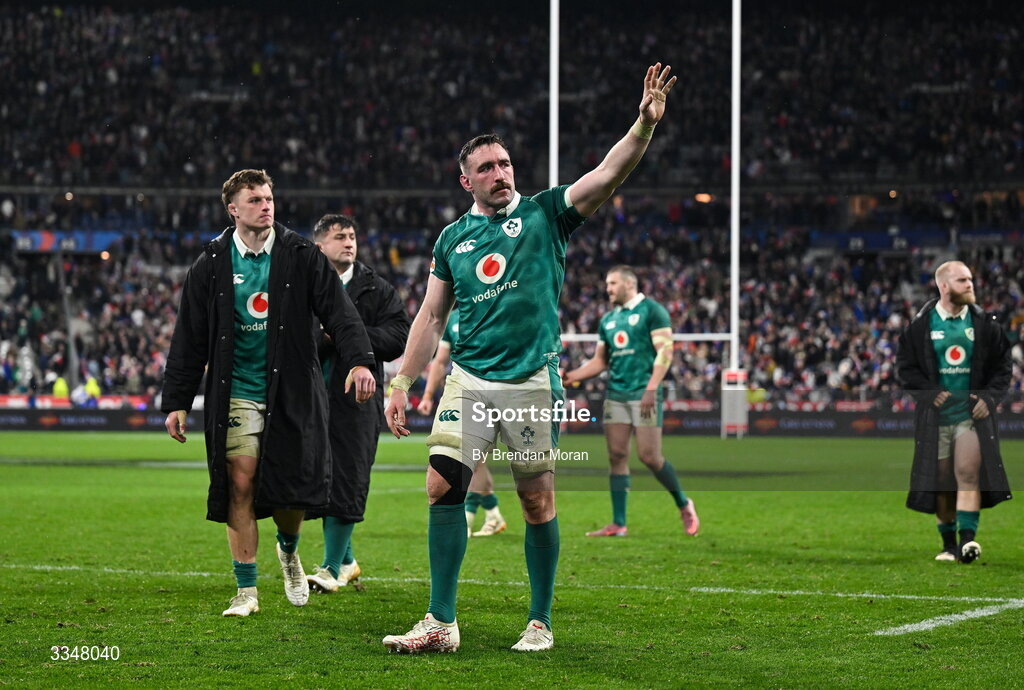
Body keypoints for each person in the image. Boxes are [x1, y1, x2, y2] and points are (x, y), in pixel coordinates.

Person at [381, 63, 677, 653]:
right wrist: (403, 381)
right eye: (486, 167)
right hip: (467, 378)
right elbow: (431, 316)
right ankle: (441, 622)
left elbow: (604, 176)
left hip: (529, 381)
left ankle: (539, 621)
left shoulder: (545, 213)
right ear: (464, 180)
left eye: (505, 163)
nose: (500, 173)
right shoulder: (451, 240)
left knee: (537, 497)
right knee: (442, 488)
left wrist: (642, 127)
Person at [160, 169, 377, 617]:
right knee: (239, 479)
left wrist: (359, 361)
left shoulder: (301, 254)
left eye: (269, 198)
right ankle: (246, 590)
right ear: (233, 209)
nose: (266, 205)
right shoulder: (211, 263)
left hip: (292, 390)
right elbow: (189, 337)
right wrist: (178, 401)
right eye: (255, 199)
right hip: (237, 389)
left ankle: (289, 548)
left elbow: (340, 312)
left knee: (291, 492)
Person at [305, 214, 410, 593]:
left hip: (357, 402)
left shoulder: (375, 288)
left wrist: (346, 332)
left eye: (352, 236)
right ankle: (346, 560)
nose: (349, 242)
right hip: (311, 397)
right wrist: (329, 337)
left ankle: (331, 567)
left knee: (347, 477)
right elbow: (291, 337)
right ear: (320, 246)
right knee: (318, 479)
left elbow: (399, 335)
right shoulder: (304, 285)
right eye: (339, 237)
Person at [562, 266, 699, 538]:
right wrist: (572, 376)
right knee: (617, 456)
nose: (608, 289)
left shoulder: (653, 311)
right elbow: (600, 361)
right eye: (607, 284)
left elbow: (665, 352)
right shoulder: (608, 320)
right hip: (617, 395)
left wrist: (651, 388)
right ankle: (619, 523)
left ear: (628, 284)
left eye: (612, 283)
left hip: (644, 393)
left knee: (649, 456)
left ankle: (684, 503)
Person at [896, 260, 1012, 564]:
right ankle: (947, 544)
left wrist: (990, 398)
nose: (970, 284)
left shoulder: (985, 324)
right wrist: (930, 393)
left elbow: (1003, 368)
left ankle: (967, 543)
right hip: (936, 419)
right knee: (943, 480)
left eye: (970, 279)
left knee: (968, 473)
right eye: (962, 280)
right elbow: (906, 371)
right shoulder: (920, 326)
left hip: (971, 416)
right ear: (944, 286)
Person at [417, 308, 507, 538]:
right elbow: (440, 361)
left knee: (474, 459)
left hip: (492, 391)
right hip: (463, 394)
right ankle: (492, 514)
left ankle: (467, 517)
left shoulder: (494, 308)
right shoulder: (453, 319)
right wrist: (428, 395)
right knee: (477, 460)